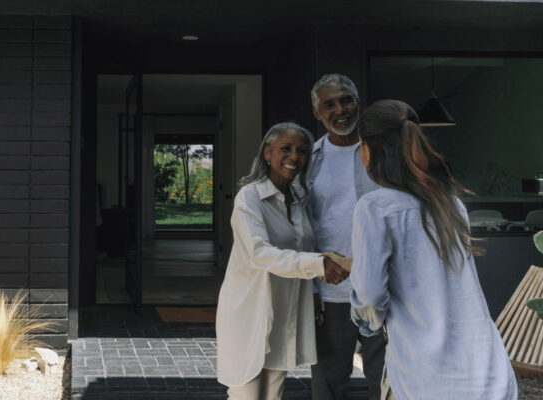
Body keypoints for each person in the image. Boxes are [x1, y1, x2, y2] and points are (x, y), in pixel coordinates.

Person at [349, 99, 517, 399]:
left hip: (425, 378)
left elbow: (371, 298)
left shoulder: (374, 208)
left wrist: (367, 325)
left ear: (367, 148)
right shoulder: (450, 203)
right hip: (490, 372)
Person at [216, 122, 350, 400]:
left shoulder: (300, 198)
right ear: (267, 153)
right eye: (285, 149)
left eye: (301, 151)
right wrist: (319, 264)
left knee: (273, 395)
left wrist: (313, 292)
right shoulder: (249, 197)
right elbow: (259, 253)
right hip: (250, 309)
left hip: (285, 311)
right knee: (246, 394)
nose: (294, 157)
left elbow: (305, 245)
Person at [306, 74, 386, 400]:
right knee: (327, 388)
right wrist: (308, 286)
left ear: (357, 102)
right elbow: (301, 231)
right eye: (330, 104)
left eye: (346, 100)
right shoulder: (308, 161)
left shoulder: (382, 156)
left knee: (388, 386)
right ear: (317, 112)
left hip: (381, 291)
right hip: (330, 296)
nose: (340, 110)